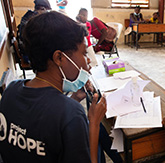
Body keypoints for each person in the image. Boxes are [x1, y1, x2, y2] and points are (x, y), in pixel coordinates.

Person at [0, 11, 106, 162]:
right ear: (59, 58)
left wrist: (74, 98)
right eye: (84, 53)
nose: (88, 60)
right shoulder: (73, 114)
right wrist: (94, 123)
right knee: (100, 137)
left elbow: (43, 119)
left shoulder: (11, 90)